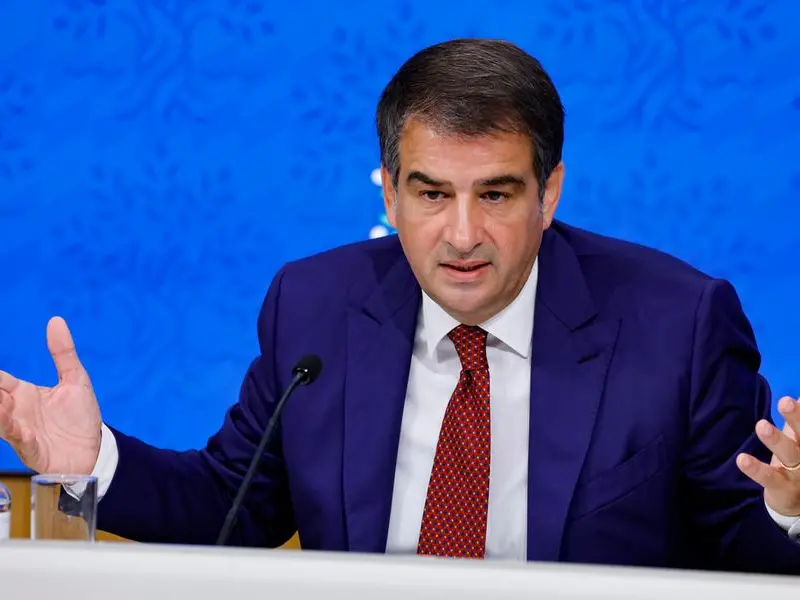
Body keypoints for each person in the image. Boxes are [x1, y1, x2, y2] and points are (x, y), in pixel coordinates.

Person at [1, 38, 799, 573]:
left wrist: (793, 513)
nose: (463, 234)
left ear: (549, 192)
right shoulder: (315, 306)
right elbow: (230, 508)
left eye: (496, 194)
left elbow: (744, 541)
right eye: (431, 193)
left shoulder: (678, 324)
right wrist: (92, 460)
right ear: (389, 192)